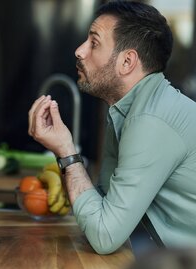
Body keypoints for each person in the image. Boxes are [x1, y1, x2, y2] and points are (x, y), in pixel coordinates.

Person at [28, 1, 196, 255]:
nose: (79, 51)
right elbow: (103, 203)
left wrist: (65, 150)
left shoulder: (150, 119)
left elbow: (105, 236)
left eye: (94, 43)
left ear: (127, 61)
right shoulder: (126, 108)